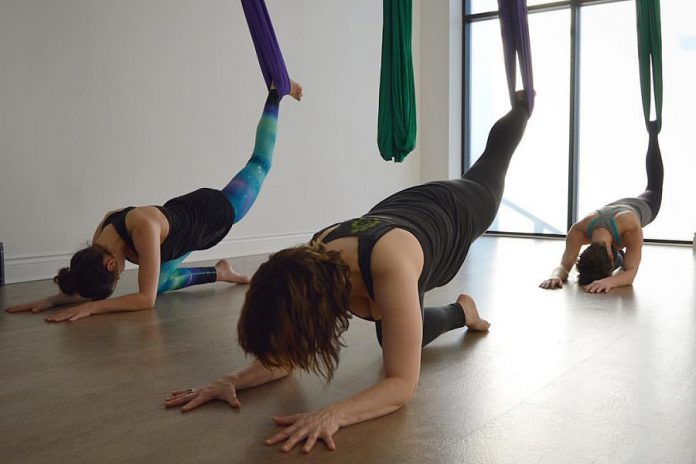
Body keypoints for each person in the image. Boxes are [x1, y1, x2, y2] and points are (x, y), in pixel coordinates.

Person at [165, 92, 531, 453]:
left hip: (457, 207)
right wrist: (232, 379)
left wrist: (333, 414)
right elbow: (286, 354)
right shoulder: (311, 264)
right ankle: (463, 312)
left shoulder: (391, 271)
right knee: (397, 339)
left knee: (493, 161)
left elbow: (402, 385)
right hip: (399, 214)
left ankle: (523, 107)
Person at [4, 81, 303, 322]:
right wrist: (53, 300)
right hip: (181, 231)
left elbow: (144, 302)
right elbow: (118, 286)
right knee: (158, 283)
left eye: (117, 273)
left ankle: (276, 94)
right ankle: (221, 272)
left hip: (213, 213)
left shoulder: (142, 229)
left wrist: (91, 309)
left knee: (260, 163)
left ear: (110, 263)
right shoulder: (102, 240)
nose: (122, 271)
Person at [540, 122, 663, 293]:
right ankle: (652, 135)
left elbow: (630, 273)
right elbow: (563, 266)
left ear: (611, 254)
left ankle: (653, 135)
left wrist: (610, 282)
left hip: (642, 206)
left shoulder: (630, 228)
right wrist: (556, 276)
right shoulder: (578, 231)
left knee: (654, 187)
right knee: (616, 263)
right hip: (613, 213)